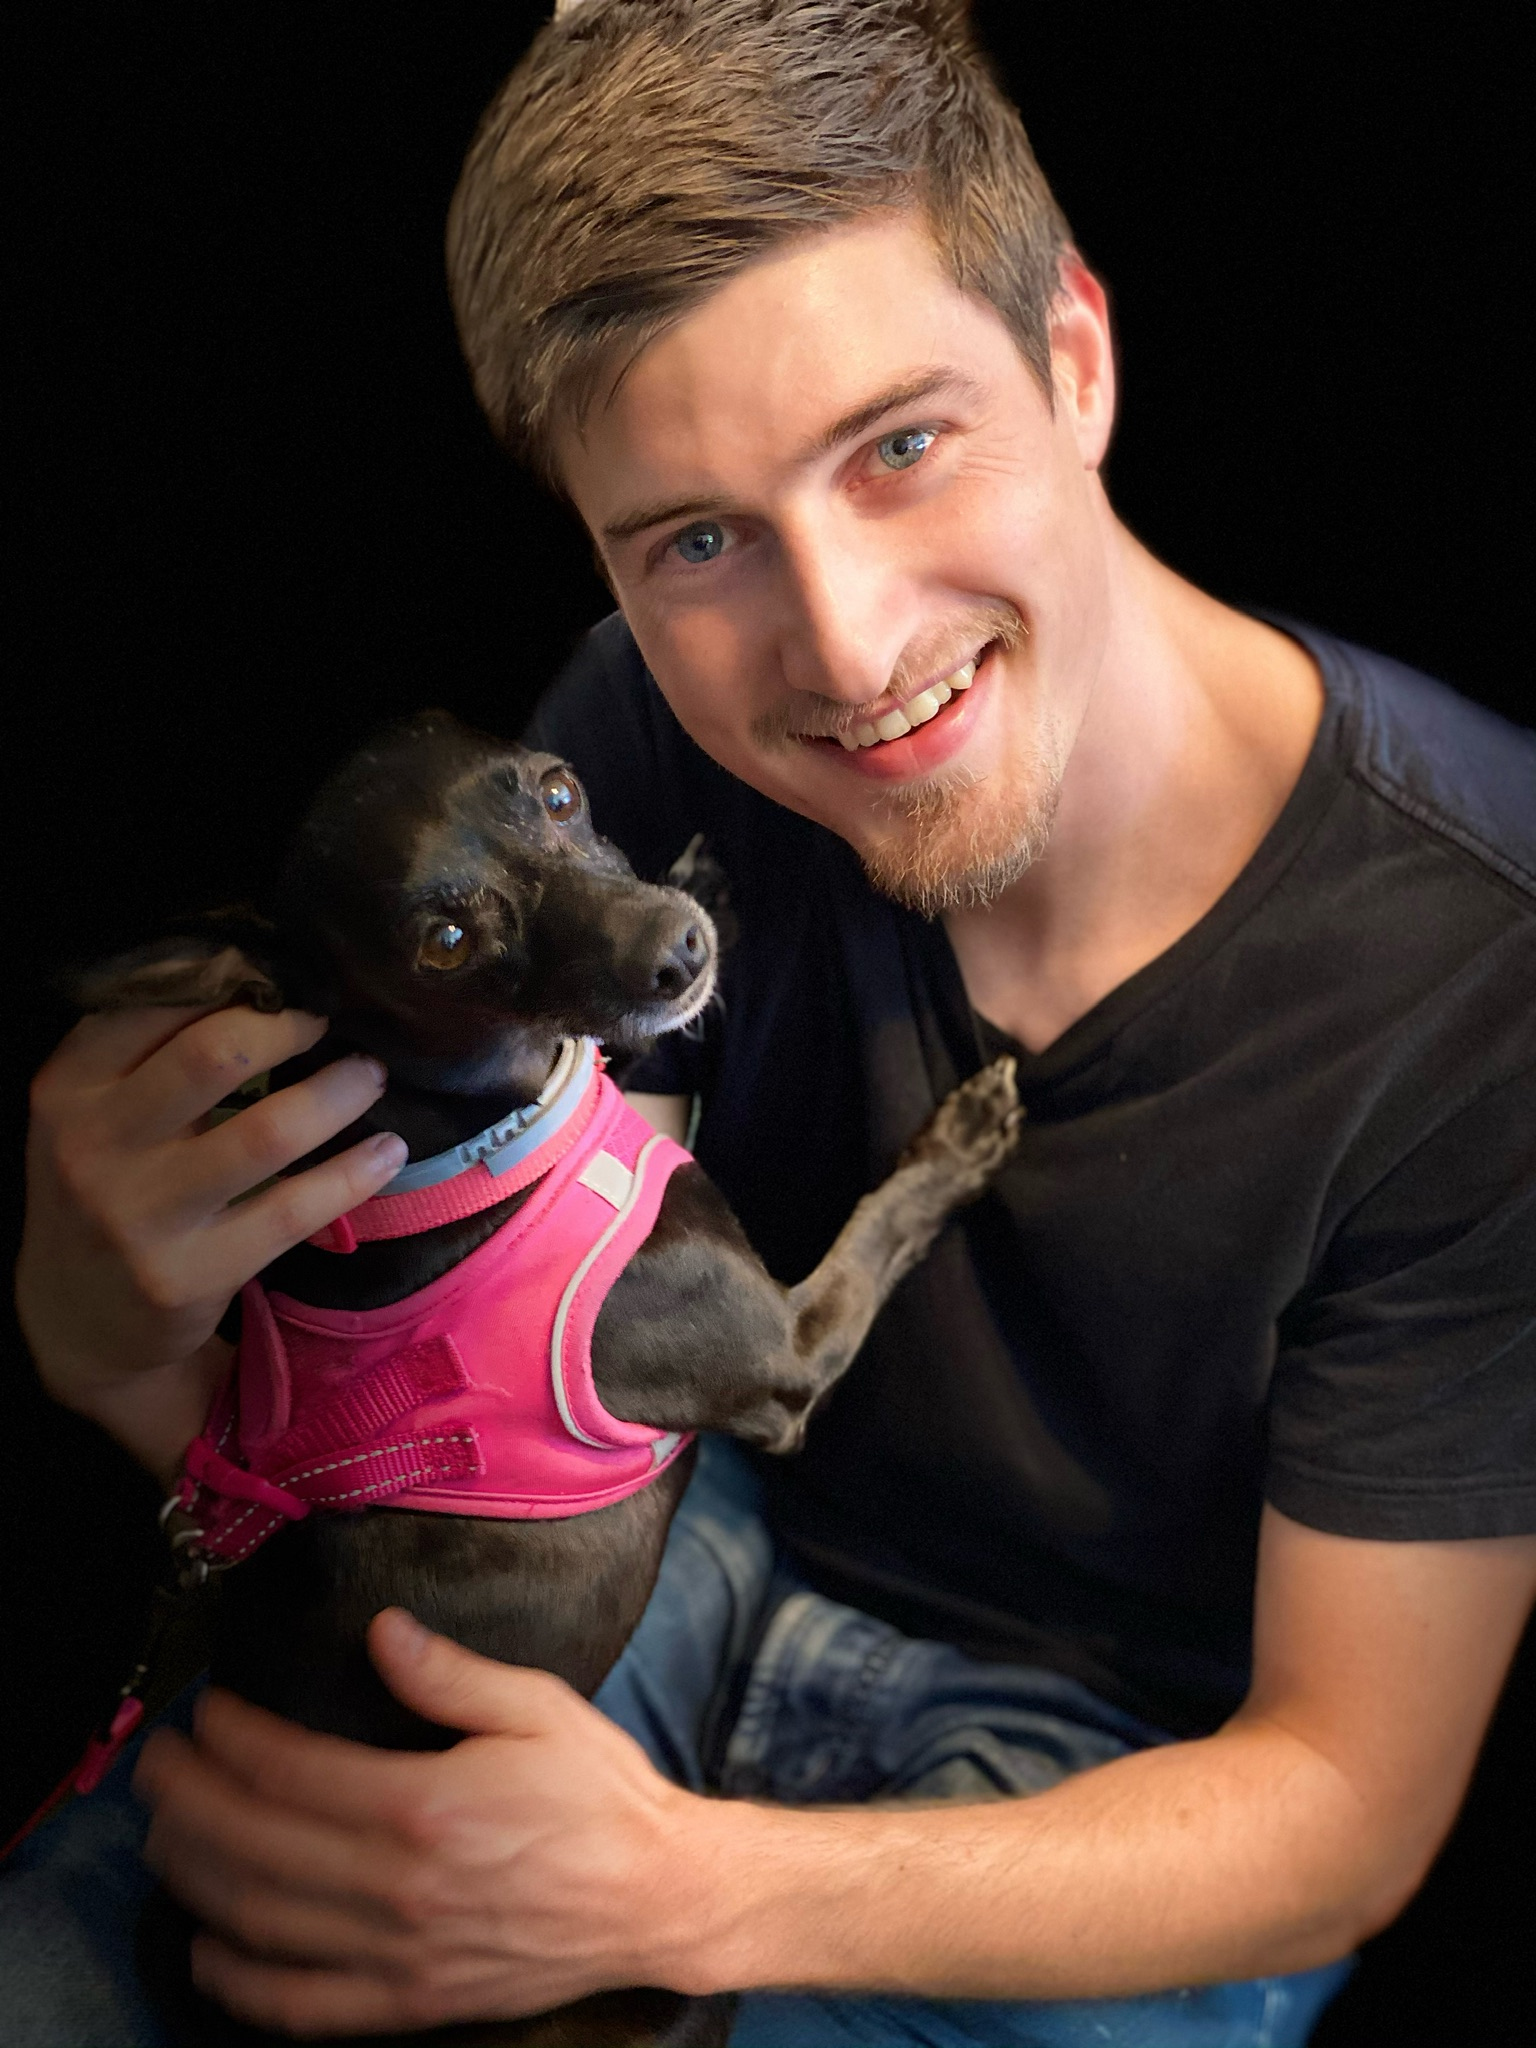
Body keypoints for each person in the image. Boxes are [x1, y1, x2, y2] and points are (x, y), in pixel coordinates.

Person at [9, 3, 1536, 2044]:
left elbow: (1344, 1806)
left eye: (900, 444)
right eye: (699, 540)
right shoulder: (626, 748)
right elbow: (484, 1383)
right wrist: (109, 1341)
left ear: (1075, 359)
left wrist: (679, 1892)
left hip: (1104, 1782)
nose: (844, 646)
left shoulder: (1488, 973)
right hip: (656, 1531)